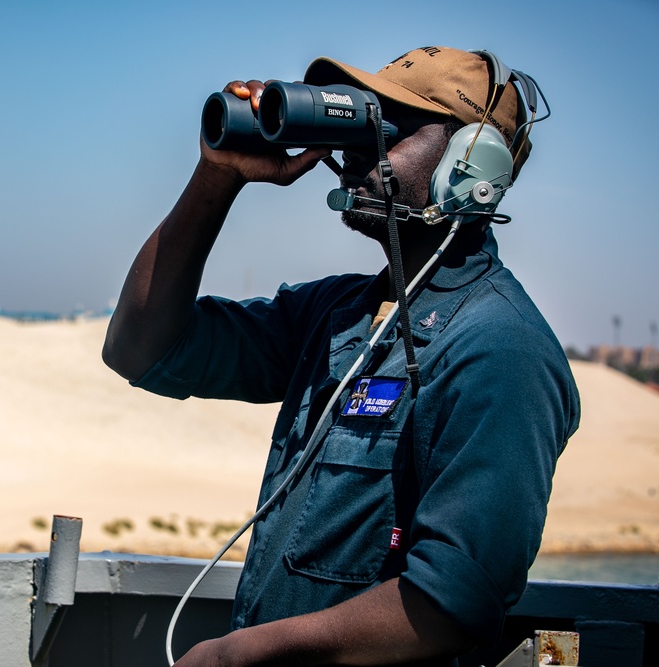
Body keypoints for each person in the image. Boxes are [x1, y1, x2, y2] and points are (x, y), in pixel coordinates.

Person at [102, 46, 580, 666]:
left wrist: (235, 656)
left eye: (392, 129)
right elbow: (141, 349)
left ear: (471, 162)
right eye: (359, 122)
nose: (359, 150)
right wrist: (217, 176)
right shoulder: (338, 315)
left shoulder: (500, 347)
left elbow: (450, 604)